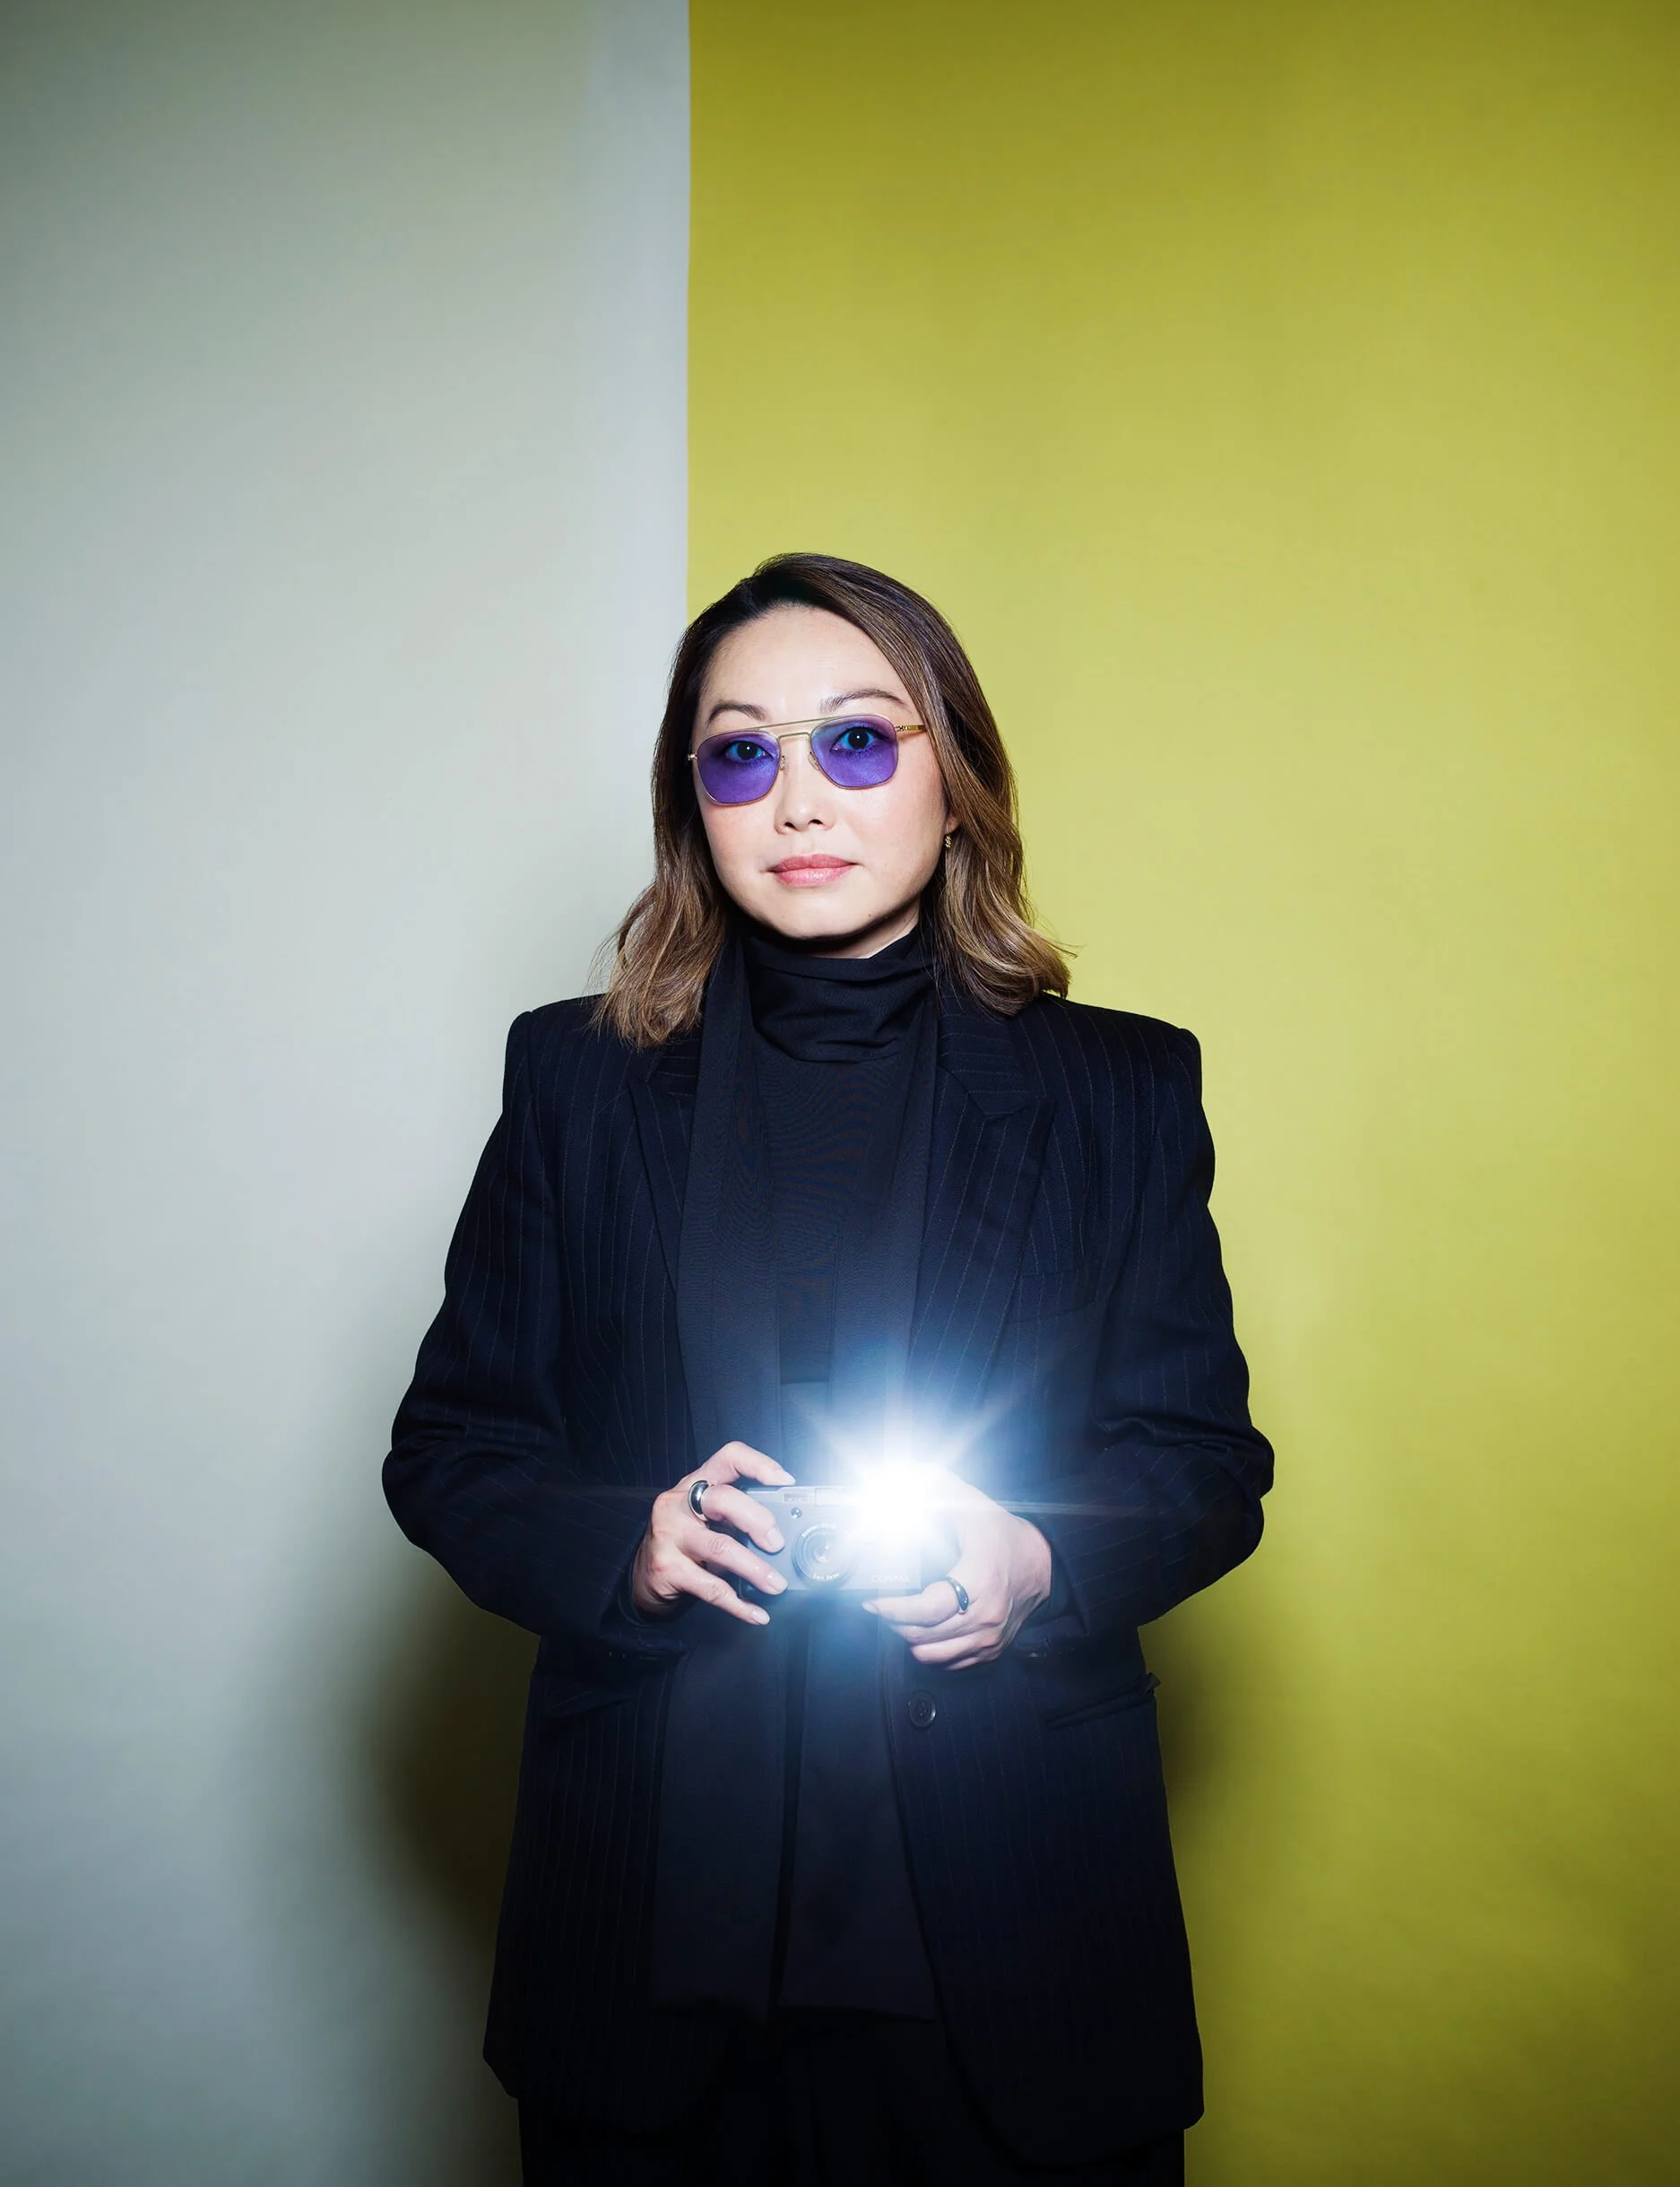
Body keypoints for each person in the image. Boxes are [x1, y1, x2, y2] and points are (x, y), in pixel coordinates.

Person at [385, 554, 1272, 2185]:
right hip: (649, 1943)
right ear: (693, 801)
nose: (797, 798)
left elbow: (1203, 1463)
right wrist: (627, 1546)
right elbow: (455, 1447)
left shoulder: (1122, 1091)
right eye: (741, 753)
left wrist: (1039, 1560)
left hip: (1010, 1941)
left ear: (955, 775)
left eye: (856, 740)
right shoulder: (575, 1081)